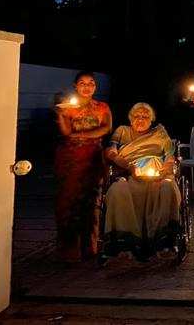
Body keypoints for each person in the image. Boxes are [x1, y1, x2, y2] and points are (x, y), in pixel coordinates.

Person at [103, 103, 181, 260]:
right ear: (131, 119)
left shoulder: (159, 132)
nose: (140, 119)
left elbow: (170, 155)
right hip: (129, 173)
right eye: (137, 116)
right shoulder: (122, 131)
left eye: (145, 116)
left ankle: (163, 241)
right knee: (117, 191)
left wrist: (165, 170)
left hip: (157, 174)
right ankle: (126, 243)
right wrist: (126, 165)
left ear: (151, 120)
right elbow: (111, 151)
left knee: (167, 187)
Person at [54, 71, 112, 262]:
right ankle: (69, 251)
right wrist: (61, 117)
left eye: (91, 83)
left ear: (95, 87)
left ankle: (90, 248)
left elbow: (106, 128)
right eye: (82, 83)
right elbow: (66, 132)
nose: (87, 87)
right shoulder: (67, 107)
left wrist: (85, 136)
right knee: (68, 202)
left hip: (93, 158)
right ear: (75, 86)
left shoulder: (102, 107)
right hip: (70, 159)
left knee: (92, 201)